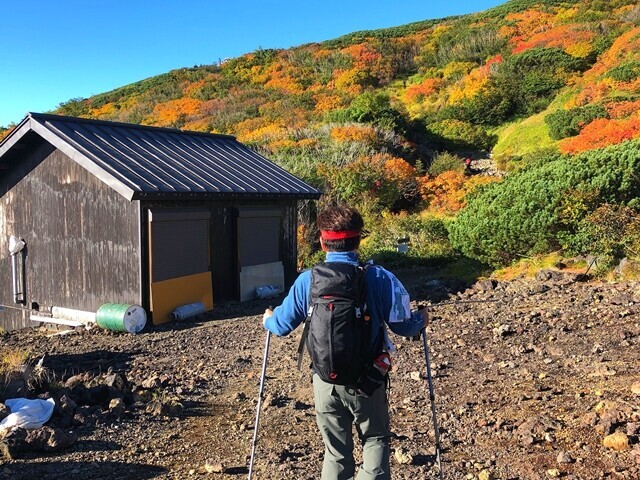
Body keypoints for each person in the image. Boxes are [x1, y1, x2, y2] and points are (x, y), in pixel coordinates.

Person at [263, 205, 428, 480]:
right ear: (359, 239)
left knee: (336, 452)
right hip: (368, 378)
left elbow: (280, 326)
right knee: (375, 438)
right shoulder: (381, 278)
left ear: (322, 240)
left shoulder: (308, 280)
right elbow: (404, 326)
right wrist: (422, 318)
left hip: (325, 380)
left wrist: (268, 318)